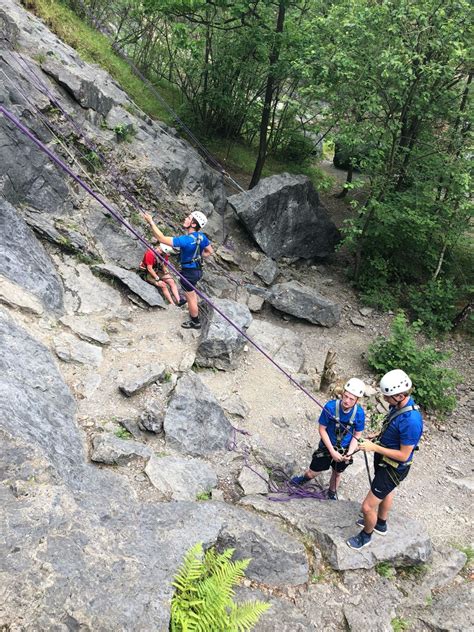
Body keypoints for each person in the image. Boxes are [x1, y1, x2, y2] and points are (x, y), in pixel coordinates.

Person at [346, 369, 423, 550]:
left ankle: (366, 536)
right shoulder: (398, 407)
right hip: (385, 459)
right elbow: (393, 429)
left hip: (393, 467)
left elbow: (404, 455)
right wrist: (378, 435)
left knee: (366, 507)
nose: (385, 399)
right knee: (387, 492)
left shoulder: (411, 421)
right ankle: (381, 523)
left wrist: (374, 448)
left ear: (400, 395)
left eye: (388, 397)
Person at [290, 378, 366, 500]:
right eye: (345, 396)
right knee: (312, 472)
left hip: (345, 449)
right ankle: (304, 479)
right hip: (327, 446)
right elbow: (322, 429)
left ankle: (331, 493)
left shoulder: (359, 414)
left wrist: (350, 453)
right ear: (342, 393)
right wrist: (331, 451)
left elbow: (357, 435)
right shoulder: (330, 407)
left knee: (337, 473)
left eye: (351, 399)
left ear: (357, 400)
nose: (346, 401)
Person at [143, 211, 213, 329]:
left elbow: (161, 238)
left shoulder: (185, 240)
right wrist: (197, 256)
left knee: (190, 298)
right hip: (197, 270)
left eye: (189, 218)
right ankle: (195, 314)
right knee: (192, 294)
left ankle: (195, 322)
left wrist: (151, 222)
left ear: (194, 224)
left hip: (189, 273)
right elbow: (209, 251)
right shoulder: (202, 237)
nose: (185, 218)